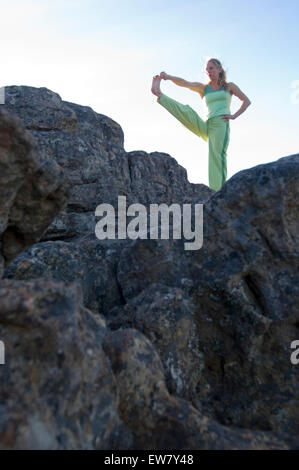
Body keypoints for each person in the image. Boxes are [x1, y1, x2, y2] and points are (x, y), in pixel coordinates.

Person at [151, 58, 251, 191]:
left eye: (211, 68)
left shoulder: (229, 86)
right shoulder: (204, 88)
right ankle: (160, 95)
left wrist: (234, 115)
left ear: (219, 69)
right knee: (187, 112)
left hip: (221, 124)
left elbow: (246, 101)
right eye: (207, 69)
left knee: (215, 155)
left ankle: (217, 191)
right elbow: (184, 83)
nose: (208, 71)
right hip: (207, 124)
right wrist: (168, 77)